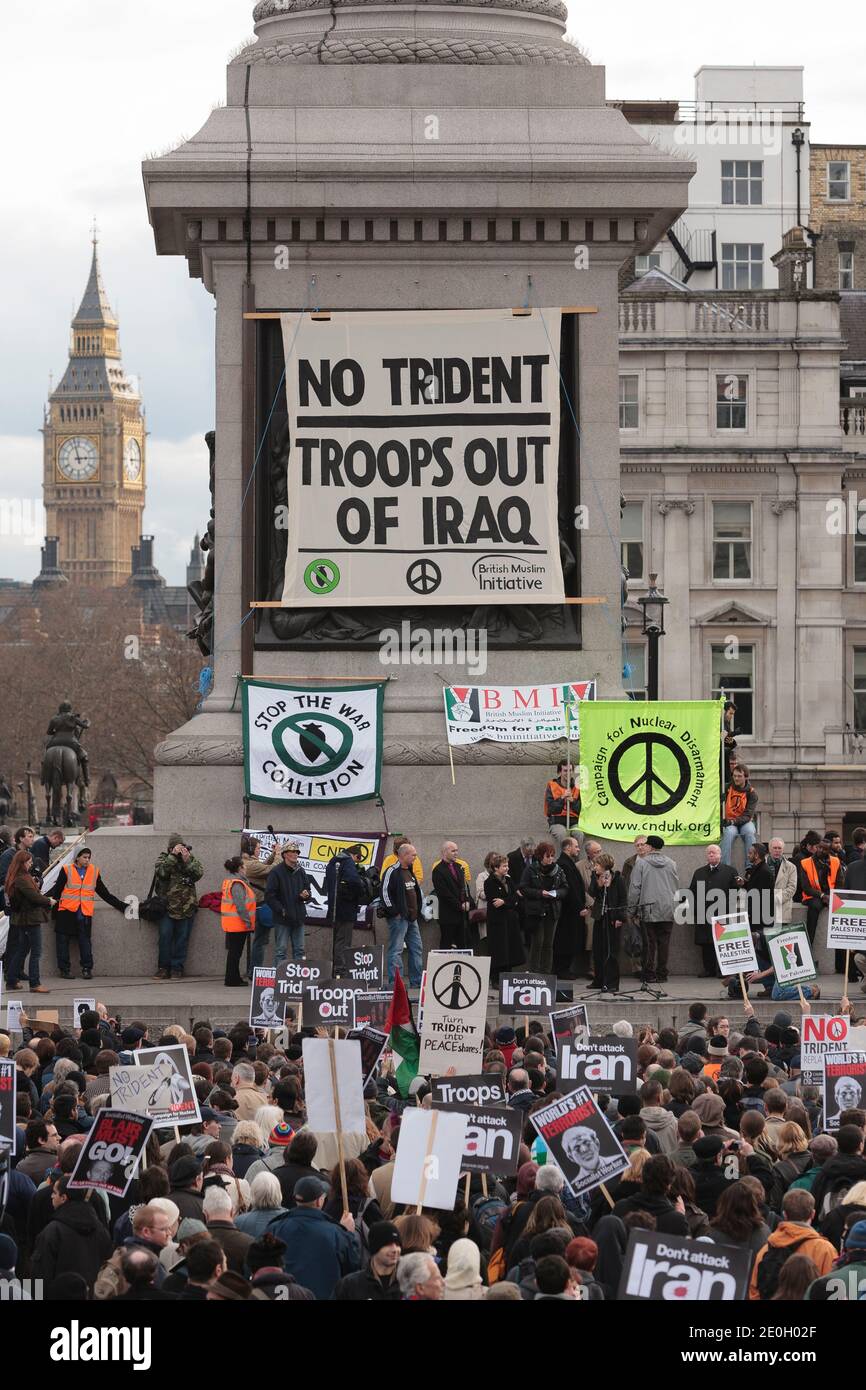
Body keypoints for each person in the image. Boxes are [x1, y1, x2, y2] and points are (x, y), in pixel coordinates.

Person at [266, 1174, 360, 1300]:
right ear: (318, 1201)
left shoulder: (275, 1229)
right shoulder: (336, 1234)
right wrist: (348, 1234)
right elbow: (353, 1266)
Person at [749, 1189, 836, 1299]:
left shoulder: (768, 1248)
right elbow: (830, 1290)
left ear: (784, 1214)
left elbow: (754, 1291)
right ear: (813, 1214)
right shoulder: (825, 1250)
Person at [32, 1176, 113, 1292]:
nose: (51, 1196)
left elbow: (40, 1275)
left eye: (55, 1192)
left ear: (64, 1198)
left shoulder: (52, 1232)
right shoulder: (101, 1231)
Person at [627, 835, 679, 984]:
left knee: (650, 942)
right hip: (668, 908)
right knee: (664, 942)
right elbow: (676, 886)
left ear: (650, 847)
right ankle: (662, 973)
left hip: (648, 908)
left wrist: (631, 910)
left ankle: (649, 973)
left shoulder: (641, 863)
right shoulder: (672, 863)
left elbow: (635, 888)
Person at [152, 835, 203, 981]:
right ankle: (163, 968)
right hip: (166, 907)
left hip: (187, 907)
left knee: (182, 939)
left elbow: (199, 874)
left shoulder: (190, 858)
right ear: (170, 848)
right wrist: (173, 855)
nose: (180, 849)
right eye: (176, 847)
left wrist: (187, 861)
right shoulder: (163, 859)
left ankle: (177, 968)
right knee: (165, 938)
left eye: (182, 846)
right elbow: (162, 873)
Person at [4, 849, 54, 993]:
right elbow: (34, 897)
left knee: (22, 950)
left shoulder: (15, 876)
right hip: (29, 919)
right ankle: (35, 983)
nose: (31, 864)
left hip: (21, 919)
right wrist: (49, 901)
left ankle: (12, 980)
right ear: (22, 863)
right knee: (36, 951)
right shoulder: (22, 878)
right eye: (29, 862)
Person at [687, 845, 739, 978]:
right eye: (709, 853)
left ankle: (723, 970)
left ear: (720, 855)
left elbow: (735, 893)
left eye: (714, 852)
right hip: (704, 913)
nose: (711, 855)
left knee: (723, 942)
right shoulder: (699, 872)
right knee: (706, 943)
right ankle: (708, 969)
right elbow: (692, 891)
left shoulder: (730, 871)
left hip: (723, 913)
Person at [381, 842, 423, 987]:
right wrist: (395, 912)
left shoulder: (409, 870)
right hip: (399, 918)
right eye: (413, 855)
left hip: (412, 917)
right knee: (396, 950)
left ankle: (416, 982)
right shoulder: (391, 871)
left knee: (416, 948)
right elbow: (384, 893)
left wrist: (417, 910)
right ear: (404, 855)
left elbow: (415, 892)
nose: (415, 858)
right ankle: (396, 983)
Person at [520, 842, 567, 974]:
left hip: (552, 909)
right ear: (541, 856)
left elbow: (565, 888)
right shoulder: (531, 869)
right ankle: (534, 970)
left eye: (552, 856)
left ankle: (546, 971)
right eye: (548, 856)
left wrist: (557, 894)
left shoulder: (558, 870)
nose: (550, 859)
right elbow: (523, 888)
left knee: (548, 943)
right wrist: (540, 893)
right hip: (537, 910)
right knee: (537, 942)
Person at [265, 841, 312, 969]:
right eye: (292, 851)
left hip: (298, 917)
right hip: (283, 919)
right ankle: (280, 981)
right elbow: (269, 896)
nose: (295, 854)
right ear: (285, 854)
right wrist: (281, 910)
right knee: (281, 951)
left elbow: (308, 889)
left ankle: (300, 980)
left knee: (300, 951)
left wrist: (306, 895)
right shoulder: (276, 872)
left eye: (297, 852)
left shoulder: (301, 871)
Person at [323, 843, 368, 976]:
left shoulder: (333, 862)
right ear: (354, 855)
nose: (357, 862)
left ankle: (336, 968)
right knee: (344, 940)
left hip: (335, 907)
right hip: (346, 907)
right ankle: (341, 969)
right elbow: (354, 881)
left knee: (338, 939)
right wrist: (361, 893)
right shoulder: (347, 861)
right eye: (358, 858)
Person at [334, 1221, 403, 1301]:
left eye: (397, 1244)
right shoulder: (350, 1285)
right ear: (375, 1247)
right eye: (388, 1244)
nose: (395, 1249)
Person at [483, 854, 525, 985]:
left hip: (510, 920)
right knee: (498, 950)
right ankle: (496, 979)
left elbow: (515, 897)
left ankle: (508, 977)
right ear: (496, 868)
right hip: (497, 922)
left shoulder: (509, 880)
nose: (507, 868)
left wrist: (506, 901)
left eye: (507, 865)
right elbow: (495, 901)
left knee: (510, 950)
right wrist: (509, 901)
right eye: (504, 866)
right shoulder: (489, 882)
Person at [588, 854, 626, 992]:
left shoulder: (618, 878)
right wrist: (599, 885)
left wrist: (620, 918)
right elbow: (592, 892)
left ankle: (611, 983)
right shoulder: (595, 876)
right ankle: (598, 980)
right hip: (600, 917)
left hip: (612, 918)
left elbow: (622, 899)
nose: (595, 867)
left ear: (604, 865)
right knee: (598, 949)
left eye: (597, 865)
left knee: (611, 951)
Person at [219, 856, 256, 988]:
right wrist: (248, 922)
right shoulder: (237, 883)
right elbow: (241, 905)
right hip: (238, 924)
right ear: (239, 868)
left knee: (234, 952)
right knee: (235, 953)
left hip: (234, 923)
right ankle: (232, 979)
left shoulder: (232, 881)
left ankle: (233, 977)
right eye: (244, 866)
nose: (246, 868)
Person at [432, 841, 474, 951]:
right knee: (446, 944)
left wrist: (468, 901)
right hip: (448, 915)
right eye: (453, 851)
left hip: (462, 916)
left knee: (463, 944)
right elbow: (444, 893)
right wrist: (460, 905)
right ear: (445, 852)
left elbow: (465, 887)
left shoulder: (460, 867)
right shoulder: (438, 870)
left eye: (457, 850)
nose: (456, 853)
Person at [555, 836, 586, 979]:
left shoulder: (568, 862)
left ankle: (564, 968)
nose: (578, 849)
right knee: (566, 940)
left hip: (572, 909)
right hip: (569, 911)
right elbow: (572, 888)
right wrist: (579, 907)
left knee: (570, 939)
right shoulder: (564, 864)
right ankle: (562, 969)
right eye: (576, 846)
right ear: (568, 847)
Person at [720, 764, 758, 867]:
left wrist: (733, 821)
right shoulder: (726, 788)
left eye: (739, 776)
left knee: (750, 832)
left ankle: (751, 865)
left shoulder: (752, 793)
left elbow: (748, 815)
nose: (736, 778)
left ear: (746, 777)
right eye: (734, 775)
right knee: (728, 833)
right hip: (730, 821)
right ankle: (724, 866)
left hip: (744, 821)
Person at [544, 761, 581, 853]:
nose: (568, 773)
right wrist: (562, 798)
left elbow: (581, 809)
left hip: (573, 821)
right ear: (559, 772)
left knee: (579, 833)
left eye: (570, 770)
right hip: (557, 821)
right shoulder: (552, 785)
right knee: (562, 834)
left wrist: (573, 801)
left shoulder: (577, 787)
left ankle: (574, 858)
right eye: (565, 771)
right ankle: (566, 859)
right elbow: (551, 809)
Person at [767, 838, 799, 925]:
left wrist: (775, 899)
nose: (777, 850)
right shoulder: (762, 865)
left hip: (782, 908)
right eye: (775, 848)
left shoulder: (791, 867)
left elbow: (792, 888)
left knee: (781, 937)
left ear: (783, 850)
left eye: (779, 848)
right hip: (764, 908)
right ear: (770, 849)